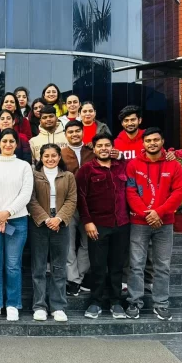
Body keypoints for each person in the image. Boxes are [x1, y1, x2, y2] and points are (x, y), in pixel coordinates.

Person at [125, 128, 182, 321]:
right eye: (148, 140)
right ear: (143, 143)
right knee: (136, 265)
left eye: (155, 140)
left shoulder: (174, 166)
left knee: (162, 266)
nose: (152, 143)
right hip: (139, 223)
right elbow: (131, 192)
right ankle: (134, 302)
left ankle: (161, 304)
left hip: (164, 223)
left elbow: (178, 193)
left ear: (162, 141)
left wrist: (159, 212)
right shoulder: (133, 164)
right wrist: (147, 214)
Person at [0, 128, 33, 322]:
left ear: (16, 144)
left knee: (13, 265)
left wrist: (7, 213)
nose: (8, 144)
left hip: (17, 220)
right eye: (5, 141)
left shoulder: (24, 166)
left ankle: (12, 304)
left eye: (12, 141)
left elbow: (26, 194)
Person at [76, 133, 130, 320]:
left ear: (112, 147)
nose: (104, 148)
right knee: (98, 266)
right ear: (94, 148)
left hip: (122, 224)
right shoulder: (86, 170)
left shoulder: (121, 166)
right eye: (100, 146)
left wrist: (121, 157)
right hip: (97, 225)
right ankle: (96, 302)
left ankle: (116, 302)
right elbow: (81, 197)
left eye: (107, 145)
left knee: (117, 266)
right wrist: (87, 221)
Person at [29, 144, 77, 322]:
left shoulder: (68, 176)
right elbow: (31, 199)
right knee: (39, 267)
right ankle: (39, 306)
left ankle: (58, 306)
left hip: (61, 224)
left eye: (54, 155)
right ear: (41, 158)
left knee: (59, 267)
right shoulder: (34, 176)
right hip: (39, 224)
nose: (50, 159)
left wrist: (59, 219)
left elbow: (72, 200)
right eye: (46, 156)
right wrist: (45, 219)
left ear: (59, 157)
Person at [60, 120, 94, 296]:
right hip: (69, 204)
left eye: (77, 131)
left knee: (88, 242)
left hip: (90, 204)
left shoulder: (92, 151)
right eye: (70, 132)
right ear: (66, 135)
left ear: (83, 132)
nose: (74, 134)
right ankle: (72, 279)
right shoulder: (61, 154)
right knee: (69, 243)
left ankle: (79, 276)